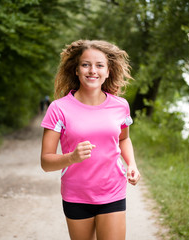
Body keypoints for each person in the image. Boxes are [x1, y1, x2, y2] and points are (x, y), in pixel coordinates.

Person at [40, 39, 141, 240]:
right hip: (76, 194)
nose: (92, 70)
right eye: (85, 64)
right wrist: (72, 157)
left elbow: (123, 140)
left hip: (112, 190)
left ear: (108, 71)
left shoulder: (120, 106)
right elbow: (45, 162)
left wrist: (132, 164)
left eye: (99, 65)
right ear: (76, 70)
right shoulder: (59, 109)